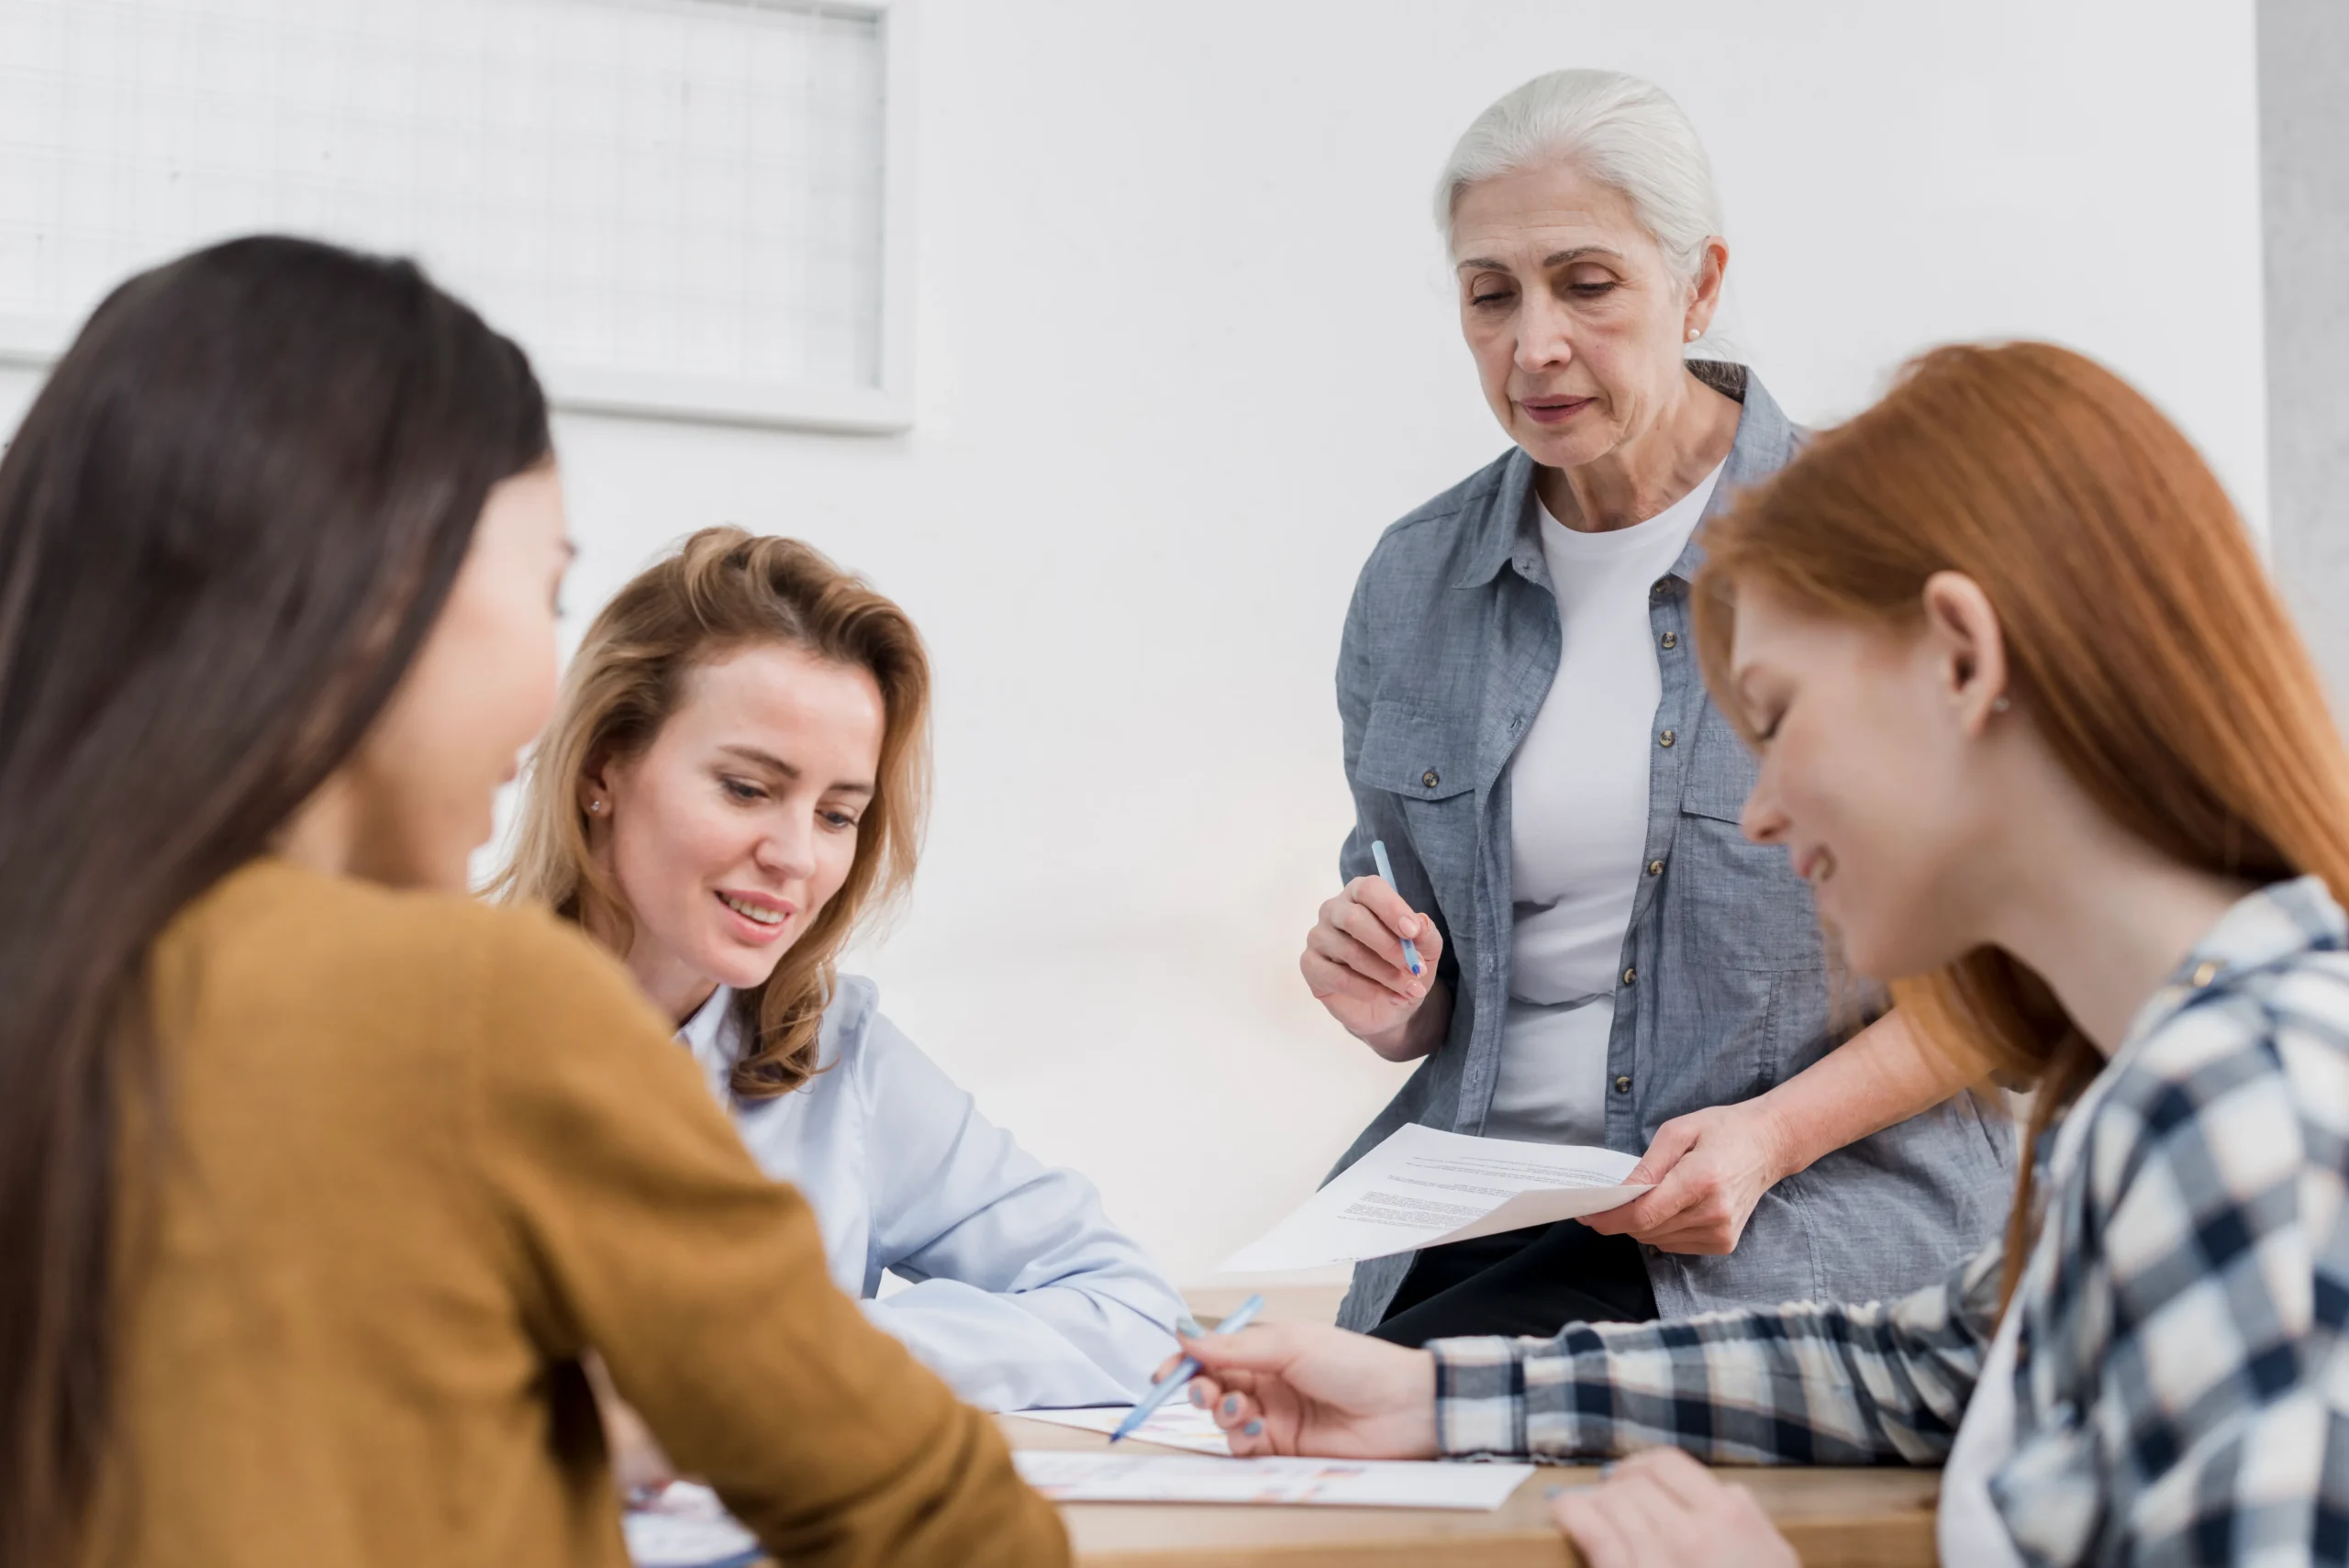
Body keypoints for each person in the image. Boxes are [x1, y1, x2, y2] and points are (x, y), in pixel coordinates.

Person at [1181, 340, 2349, 1564]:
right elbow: (1926, 1370)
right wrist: (1434, 1401)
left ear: (1963, 659)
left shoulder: (2247, 1108)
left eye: (1780, 721)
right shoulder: (2157, 1084)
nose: (1760, 809)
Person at [0, 236, 1063, 1568]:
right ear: (384, 590)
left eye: (840, 811)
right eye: (547, 588)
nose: (795, 855)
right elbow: (951, 1527)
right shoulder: (478, 1005)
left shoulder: (73, 974)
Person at [1301, 66, 2010, 1344]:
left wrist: (1770, 1136)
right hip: (1472, 1208)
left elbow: (2006, 973)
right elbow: (1442, 987)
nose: (1535, 346)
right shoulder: (1414, 581)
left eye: (1587, 283)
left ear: (1700, 282)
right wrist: (1400, 994)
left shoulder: (1875, 547)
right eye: (1490, 295)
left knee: (1385, 1422)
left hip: (1792, 1212)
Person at [492, 528, 1186, 1417]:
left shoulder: (835, 1054)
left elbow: (1131, 1311)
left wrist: (802, 1346)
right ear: (602, 768)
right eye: (746, 787)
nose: (794, 856)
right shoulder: (412, 1026)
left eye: (836, 813)